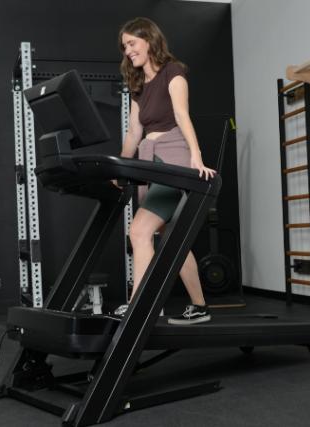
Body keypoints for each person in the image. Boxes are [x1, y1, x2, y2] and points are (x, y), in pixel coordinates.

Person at [113, 17, 216, 325]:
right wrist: (121, 167)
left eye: (132, 43)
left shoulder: (174, 73)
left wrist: (196, 157)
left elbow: (183, 116)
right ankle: (199, 306)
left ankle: (140, 305)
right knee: (172, 236)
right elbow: (133, 132)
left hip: (174, 157)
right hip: (150, 160)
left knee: (139, 231)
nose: (128, 51)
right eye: (125, 46)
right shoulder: (138, 85)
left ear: (149, 40)